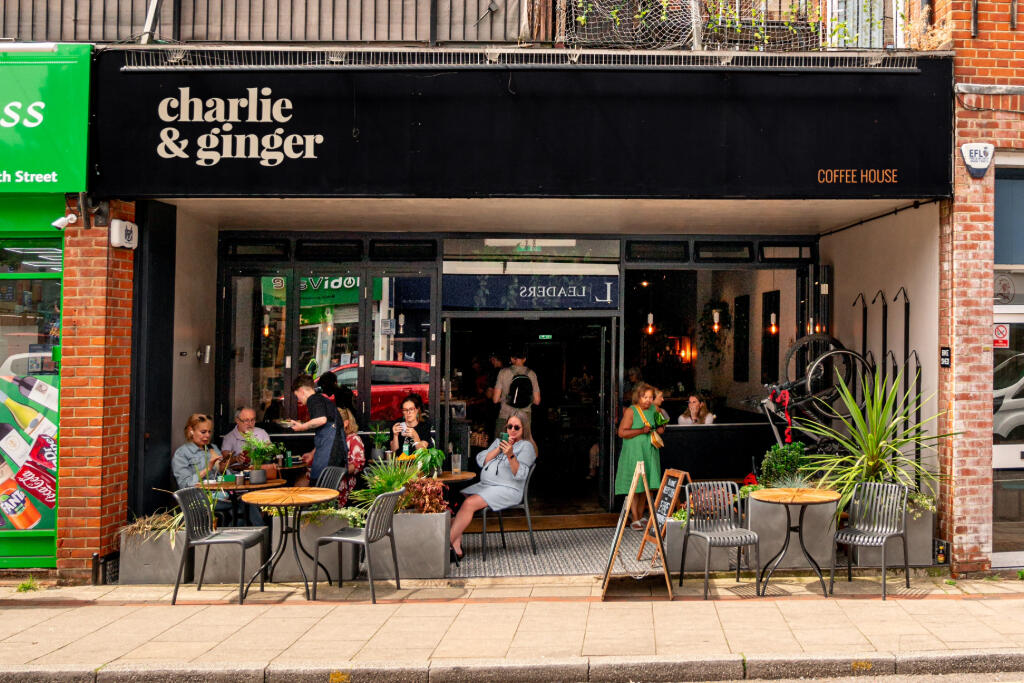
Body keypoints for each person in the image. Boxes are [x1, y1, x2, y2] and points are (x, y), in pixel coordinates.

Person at [450, 411, 537, 560]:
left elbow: (520, 474)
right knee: (455, 499)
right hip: (487, 486)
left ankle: (444, 545)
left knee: (469, 503)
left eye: (517, 427)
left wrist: (510, 455)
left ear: (524, 429)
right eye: (509, 426)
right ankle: (456, 546)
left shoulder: (526, 447)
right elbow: (482, 461)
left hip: (508, 489)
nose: (512, 430)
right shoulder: (499, 442)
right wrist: (499, 449)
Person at [615, 383, 664, 530]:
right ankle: (635, 517)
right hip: (635, 452)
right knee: (636, 485)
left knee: (647, 485)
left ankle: (641, 515)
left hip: (649, 451)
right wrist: (641, 430)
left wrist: (660, 426)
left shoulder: (655, 409)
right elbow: (621, 432)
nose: (648, 400)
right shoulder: (631, 411)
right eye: (645, 397)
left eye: (650, 397)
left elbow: (661, 429)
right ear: (638, 397)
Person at [285, 374, 346, 483]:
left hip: (329, 456)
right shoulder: (322, 400)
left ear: (301, 391)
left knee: (319, 489)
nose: (298, 399)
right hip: (335, 453)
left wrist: (302, 427)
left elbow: (322, 420)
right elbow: (324, 433)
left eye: (297, 396)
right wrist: (312, 454)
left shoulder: (313, 399)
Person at [492, 347, 540, 438]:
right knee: (525, 444)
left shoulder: (503, 373)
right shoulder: (532, 374)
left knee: (503, 443)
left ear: (511, 359)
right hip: (524, 419)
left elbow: (495, 399)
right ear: (524, 359)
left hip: (506, 417)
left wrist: (506, 398)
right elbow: (537, 401)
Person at [172, 413, 223, 489]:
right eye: (203, 432)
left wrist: (223, 468)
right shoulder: (182, 453)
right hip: (198, 494)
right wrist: (208, 469)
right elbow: (184, 484)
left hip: (220, 492)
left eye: (209, 432)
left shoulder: (213, 448)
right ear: (191, 431)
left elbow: (224, 476)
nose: (208, 435)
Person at [337, 407, 367, 506]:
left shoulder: (354, 439)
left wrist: (336, 471)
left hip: (346, 482)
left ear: (345, 423)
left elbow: (357, 464)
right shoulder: (333, 438)